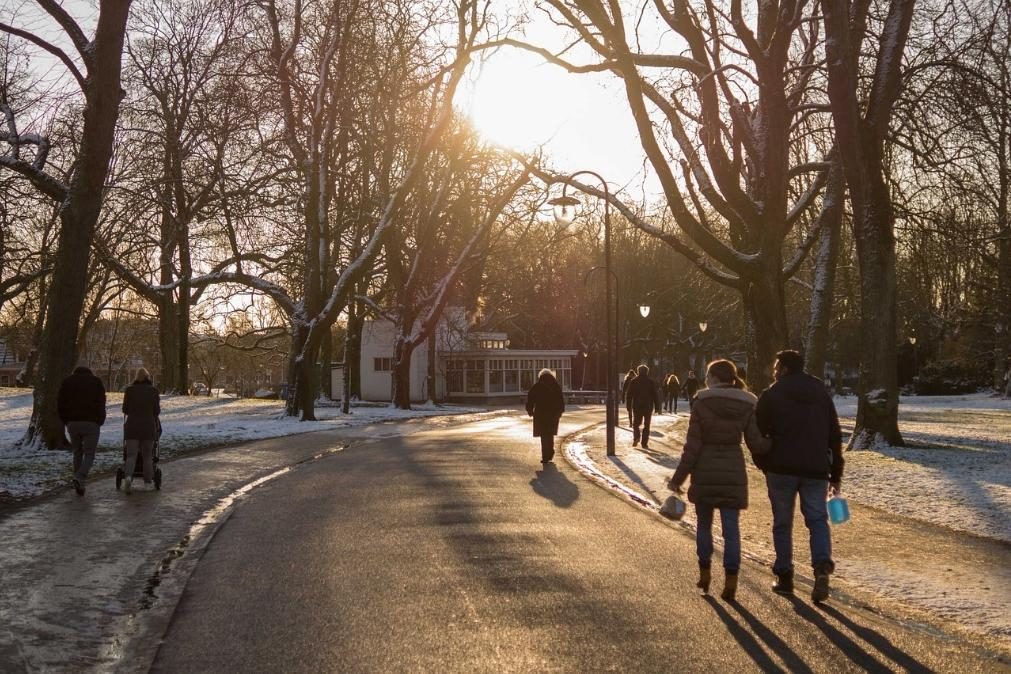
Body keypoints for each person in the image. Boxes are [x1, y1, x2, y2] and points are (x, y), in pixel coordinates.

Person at [667, 360, 769, 600]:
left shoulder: (701, 403)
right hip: (733, 469)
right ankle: (731, 579)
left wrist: (678, 478)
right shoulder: (747, 404)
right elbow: (756, 443)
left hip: (704, 470)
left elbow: (692, 446)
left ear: (712, 378)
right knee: (731, 529)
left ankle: (705, 574)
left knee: (704, 525)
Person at [755, 350, 843, 602]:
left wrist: (763, 462)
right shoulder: (821, 394)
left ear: (783, 368)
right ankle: (821, 565)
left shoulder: (772, 394)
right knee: (817, 519)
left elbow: (757, 433)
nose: (773, 370)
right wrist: (835, 472)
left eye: (776, 366)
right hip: (816, 468)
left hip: (781, 467)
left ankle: (784, 576)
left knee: (783, 522)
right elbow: (833, 434)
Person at [57, 364, 107, 496]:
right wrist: (100, 420)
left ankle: (79, 483)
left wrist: (65, 420)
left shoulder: (67, 382)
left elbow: (60, 403)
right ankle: (79, 477)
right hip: (91, 423)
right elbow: (101, 402)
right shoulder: (96, 382)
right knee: (89, 453)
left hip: (72, 423)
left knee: (77, 452)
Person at [122, 367, 161, 493]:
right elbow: (157, 411)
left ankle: (128, 477)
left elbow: (125, 409)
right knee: (147, 456)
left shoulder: (129, 390)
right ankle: (147, 483)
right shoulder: (154, 391)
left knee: (131, 455)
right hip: (148, 427)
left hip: (132, 426)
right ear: (148, 377)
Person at [525, 368, 565, 464]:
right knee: (550, 434)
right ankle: (550, 452)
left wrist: (530, 410)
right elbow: (560, 400)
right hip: (553, 414)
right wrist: (560, 412)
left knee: (543, 435)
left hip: (540, 414)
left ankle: (545, 456)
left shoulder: (537, 386)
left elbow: (530, 398)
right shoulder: (556, 386)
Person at [627, 364, 661, 449]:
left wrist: (628, 406)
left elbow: (629, 395)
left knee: (636, 424)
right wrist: (657, 407)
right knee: (647, 425)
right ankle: (644, 443)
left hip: (637, 406)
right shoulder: (650, 382)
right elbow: (655, 395)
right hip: (648, 406)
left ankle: (637, 436)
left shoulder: (634, 381)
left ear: (638, 371)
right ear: (647, 372)